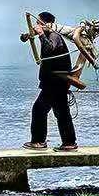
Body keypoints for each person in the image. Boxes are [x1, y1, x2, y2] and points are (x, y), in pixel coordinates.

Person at [21, 12, 78, 152]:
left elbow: (48, 50)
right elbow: (30, 40)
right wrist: (27, 36)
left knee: (39, 109)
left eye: (39, 23)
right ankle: (69, 143)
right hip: (54, 82)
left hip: (55, 82)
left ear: (45, 24)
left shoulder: (54, 36)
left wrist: (40, 35)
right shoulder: (49, 36)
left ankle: (39, 141)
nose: (36, 26)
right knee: (61, 112)